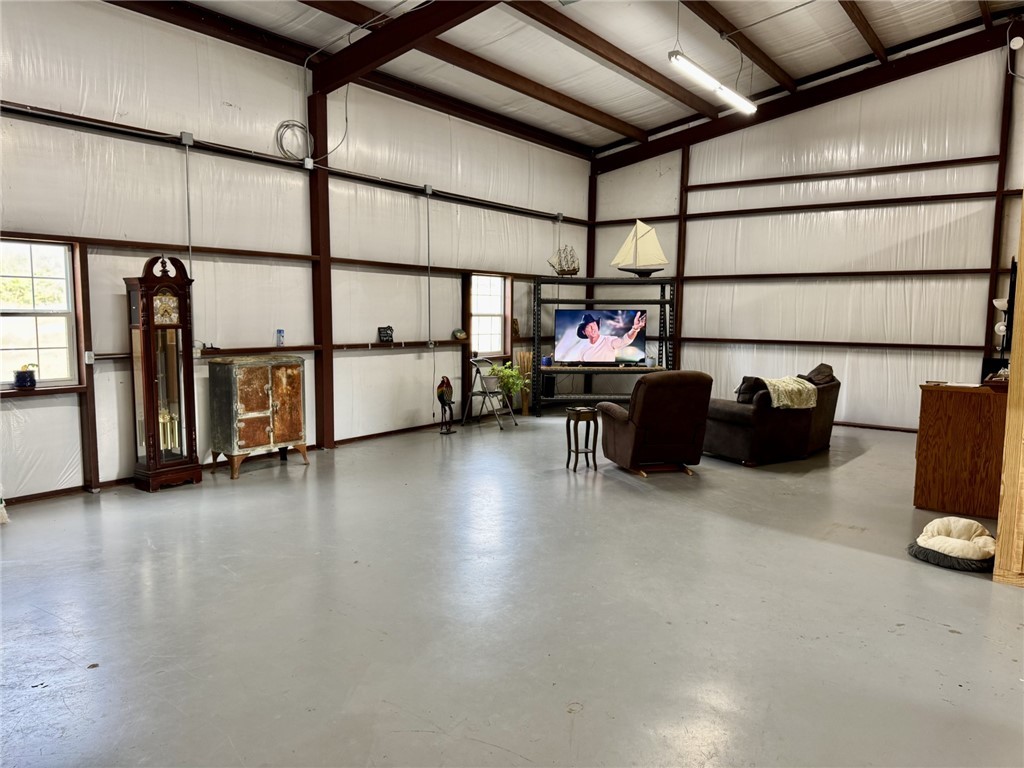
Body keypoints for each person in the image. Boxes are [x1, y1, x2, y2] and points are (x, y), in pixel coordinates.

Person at [574, 311, 646, 363]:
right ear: (584, 331)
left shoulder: (609, 340)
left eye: (594, 324)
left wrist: (635, 329)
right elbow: (579, 365)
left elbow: (625, 341)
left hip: (607, 376)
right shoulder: (583, 349)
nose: (593, 328)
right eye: (589, 326)